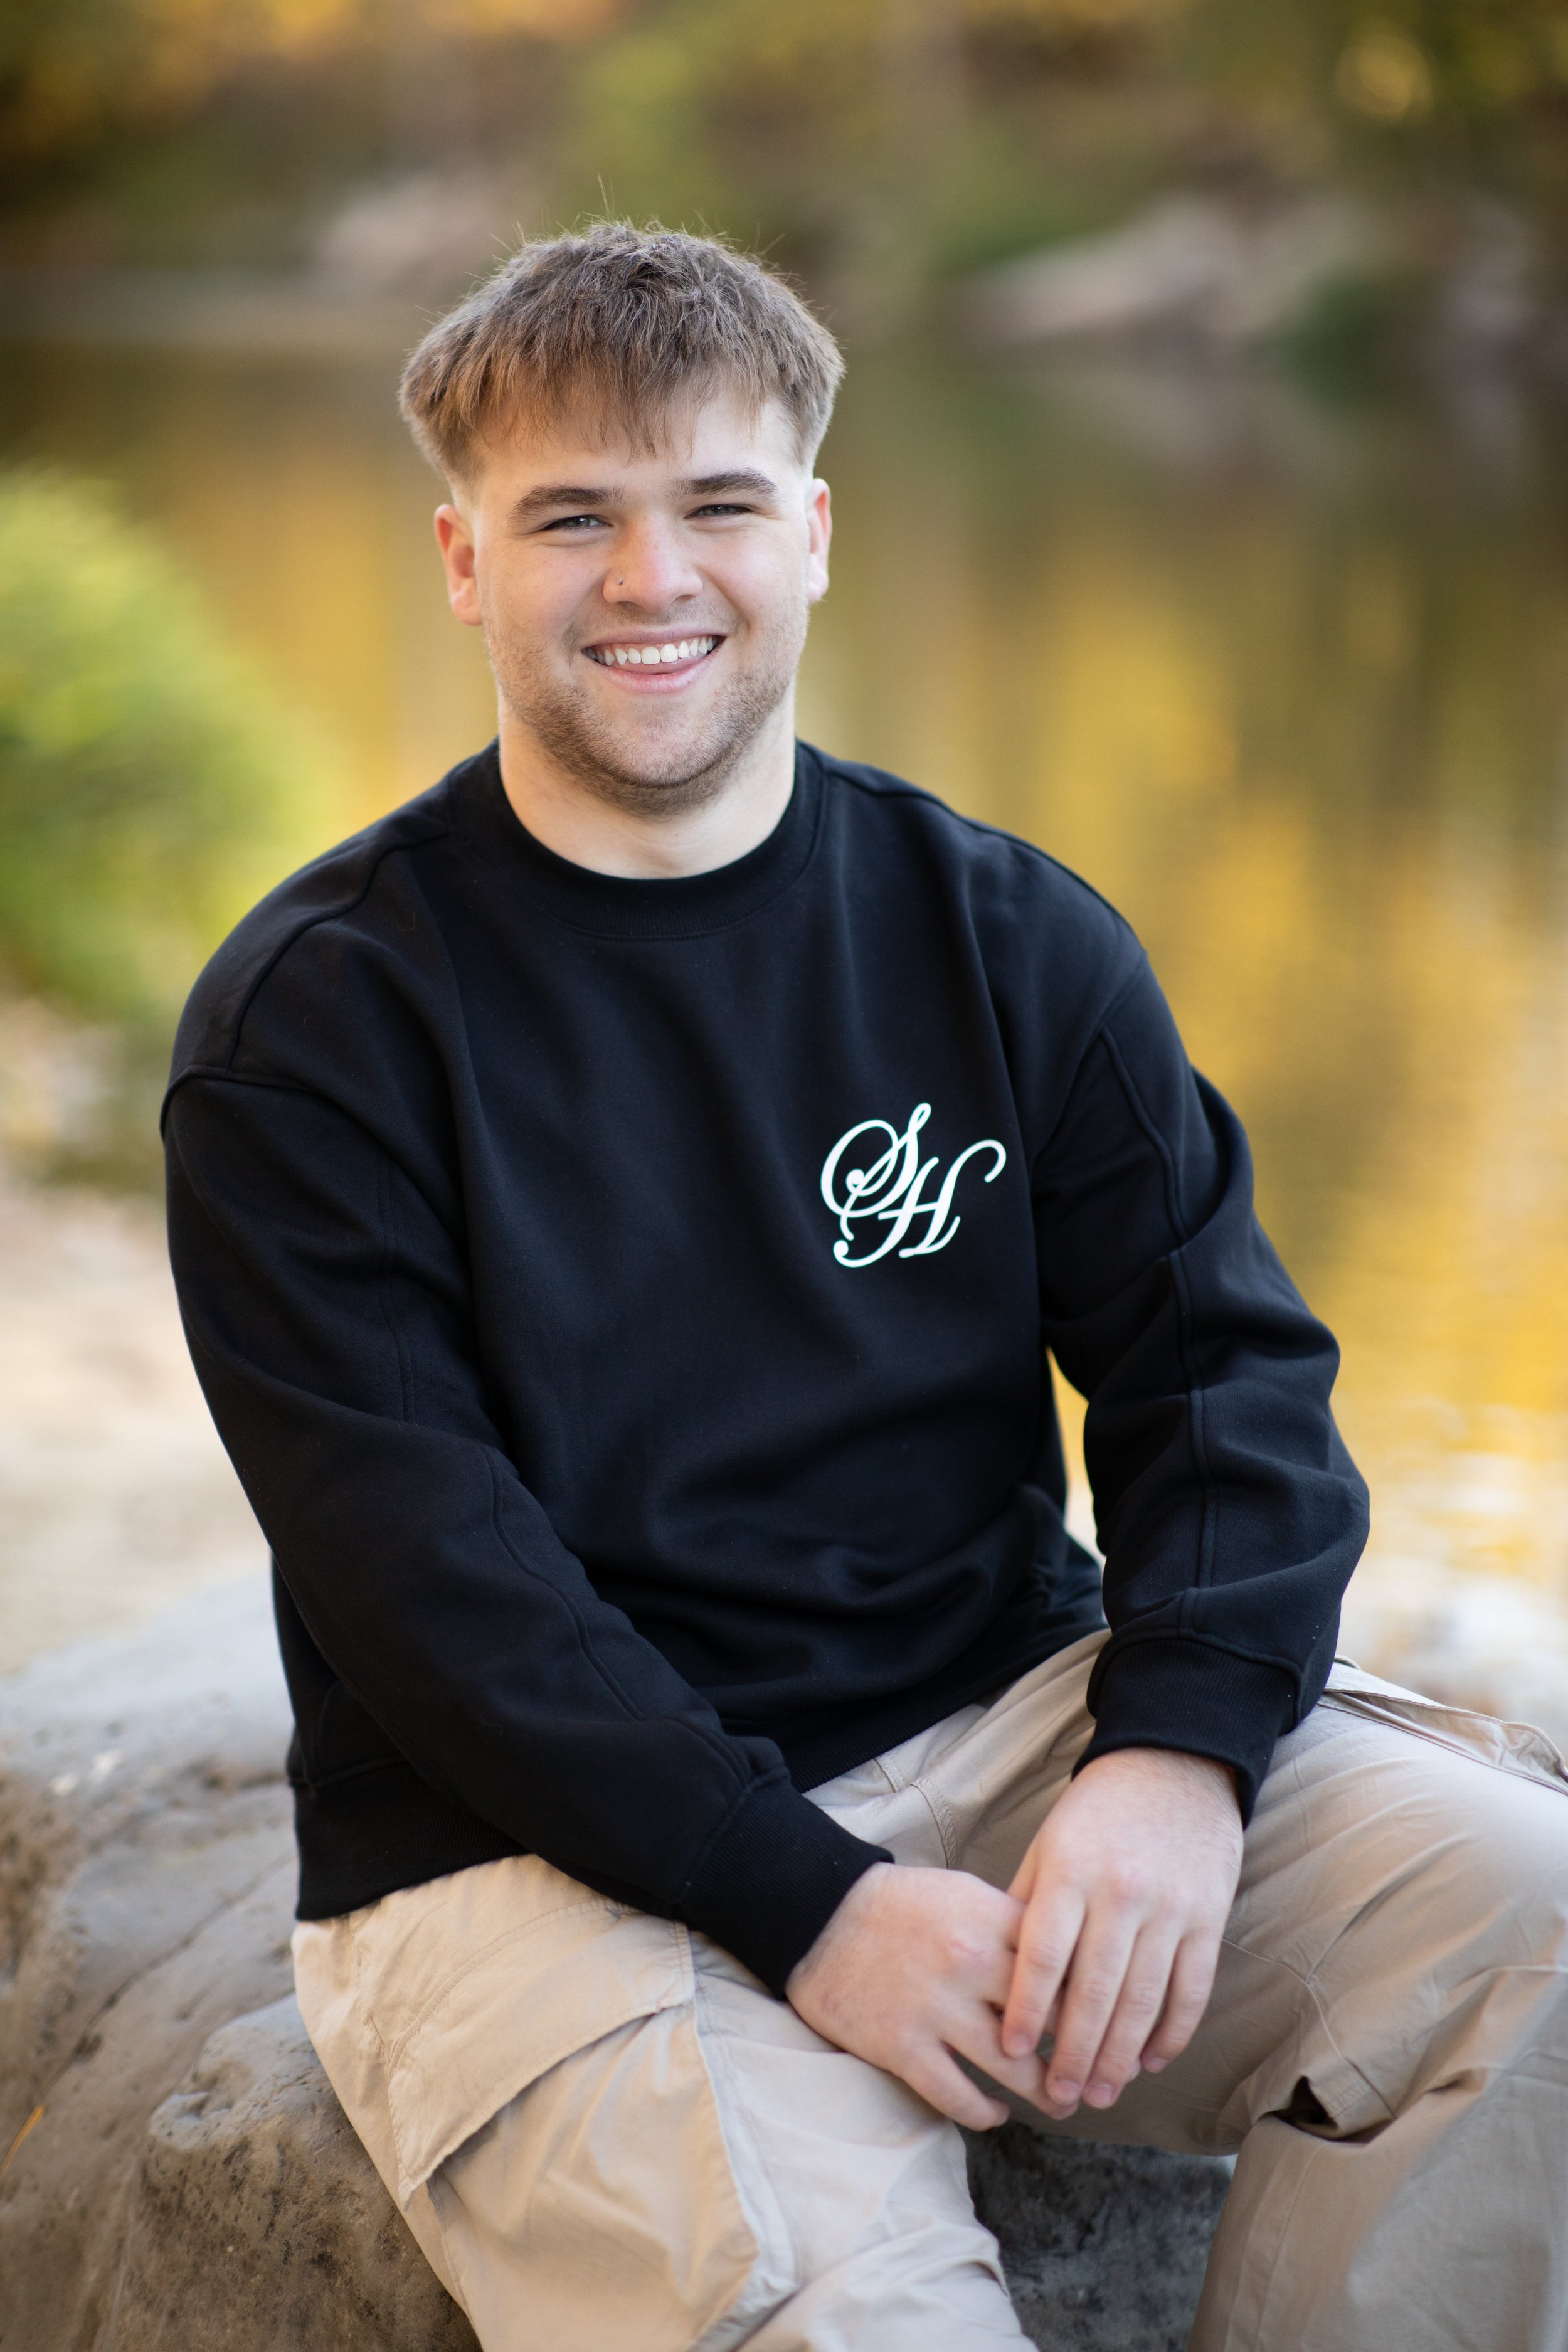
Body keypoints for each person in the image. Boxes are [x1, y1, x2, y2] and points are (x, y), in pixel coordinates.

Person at [164, 223, 1568, 2351]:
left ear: (811, 534)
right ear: (463, 561)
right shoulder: (319, 1028)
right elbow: (428, 1587)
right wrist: (808, 1909)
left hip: (993, 1727)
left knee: (1530, 1925)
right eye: (572, 520)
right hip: (530, 1857)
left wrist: (1174, 1756)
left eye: (716, 505)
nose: (653, 582)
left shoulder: (1004, 937)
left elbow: (1230, 1389)